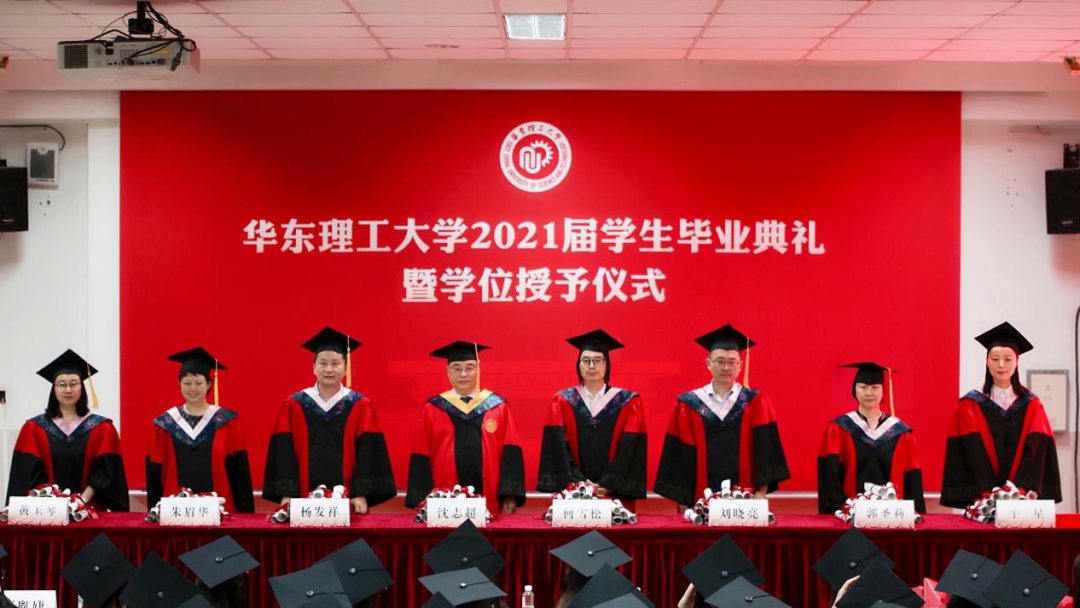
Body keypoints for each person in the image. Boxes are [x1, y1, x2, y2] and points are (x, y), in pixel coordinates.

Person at [654, 325, 790, 510]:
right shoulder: (689, 404)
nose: (726, 367)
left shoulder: (755, 402)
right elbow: (679, 455)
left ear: (740, 366)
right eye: (720, 361)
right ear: (708, 364)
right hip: (700, 504)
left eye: (732, 362)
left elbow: (765, 449)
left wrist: (760, 494)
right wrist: (684, 502)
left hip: (747, 503)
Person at [263, 327, 395, 514]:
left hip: (348, 500)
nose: (329, 369)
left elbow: (368, 452)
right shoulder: (294, 404)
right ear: (314, 367)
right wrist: (287, 493)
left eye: (335, 363)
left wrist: (360, 493)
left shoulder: (360, 404)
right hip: (302, 500)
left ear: (346, 368)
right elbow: (284, 451)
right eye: (323, 363)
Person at [941, 322, 1061, 508]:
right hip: (983, 503)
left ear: (1017, 361)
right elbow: (969, 452)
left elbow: (1037, 453)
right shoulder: (970, 405)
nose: (1001, 365)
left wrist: (1018, 493)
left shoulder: (1032, 405)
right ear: (987, 361)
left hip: (1020, 506)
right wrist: (987, 496)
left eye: (1008, 358)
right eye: (995, 358)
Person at [405, 341, 526, 515]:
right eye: (456, 368)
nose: (463, 374)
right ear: (448, 372)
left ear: (478, 370)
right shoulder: (432, 408)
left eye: (469, 368)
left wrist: (509, 495)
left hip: (489, 495)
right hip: (444, 495)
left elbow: (510, 452)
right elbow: (421, 454)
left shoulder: (498, 406)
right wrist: (421, 499)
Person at [7, 349, 129, 511]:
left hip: (89, 512)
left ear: (81, 387)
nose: (68, 389)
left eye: (73, 383)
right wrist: (54, 501)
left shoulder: (102, 429)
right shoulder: (34, 429)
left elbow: (105, 472)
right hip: (48, 511)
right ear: (54, 388)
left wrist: (80, 501)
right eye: (62, 384)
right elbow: (27, 474)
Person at [537, 329, 647, 505]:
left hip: (613, 496)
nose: (591, 366)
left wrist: (610, 482)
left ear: (606, 364)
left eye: (597, 360)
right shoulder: (563, 401)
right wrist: (579, 482)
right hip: (575, 494)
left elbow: (630, 447)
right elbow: (558, 447)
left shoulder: (628, 402)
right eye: (586, 360)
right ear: (579, 365)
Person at [146, 347, 254, 513]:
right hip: (175, 513)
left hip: (219, 513)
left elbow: (239, 473)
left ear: (209, 384)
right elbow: (155, 473)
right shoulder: (165, 424)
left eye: (198, 383)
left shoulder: (227, 422)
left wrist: (245, 517)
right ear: (179, 383)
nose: (192, 388)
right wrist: (155, 513)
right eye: (187, 383)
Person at [817, 362, 926, 515]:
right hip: (851, 516)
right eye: (863, 387)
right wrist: (841, 512)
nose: (869, 393)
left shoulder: (901, 433)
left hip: (892, 517)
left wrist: (913, 515)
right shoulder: (839, 429)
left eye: (875, 387)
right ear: (854, 390)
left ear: (883, 391)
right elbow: (830, 477)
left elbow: (911, 478)